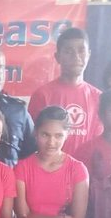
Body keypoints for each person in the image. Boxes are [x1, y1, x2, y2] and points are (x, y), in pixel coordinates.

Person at [14, 106, 90, 218]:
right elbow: (23, 216)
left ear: (67, 135)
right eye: (45, 135)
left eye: (58, 136)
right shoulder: (22, 167)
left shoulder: (77, 170)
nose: (51, 142)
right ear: (35, 133)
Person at [27, 26, 101, 155]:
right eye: (68, 51)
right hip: (50, 171)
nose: (76, 56)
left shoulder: (99, 97)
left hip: (87, 172)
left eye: (81, 50)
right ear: (57, 57)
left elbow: (99, 141)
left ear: (88, 54)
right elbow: (32, 140)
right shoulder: (43, 95)